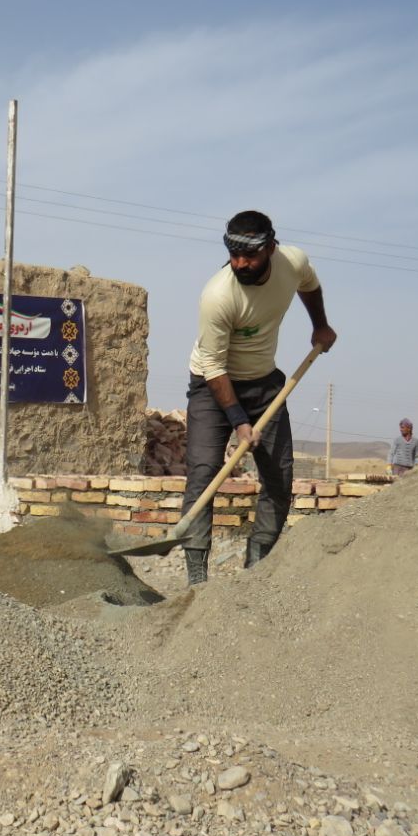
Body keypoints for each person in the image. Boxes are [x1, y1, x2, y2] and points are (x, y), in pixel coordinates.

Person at [180, 210, 337, 585]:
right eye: (233, 254)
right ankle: (197, 578)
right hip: (211, 384)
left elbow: (309, 285)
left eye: (248, 255)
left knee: (279, 480)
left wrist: (320, 324)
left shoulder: (292, 261)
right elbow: (214, 367)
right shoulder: (218, 296)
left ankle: (256, 566)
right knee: (203, 473)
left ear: (270, 247)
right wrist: (239, 420)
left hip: (265, 384)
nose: (239, 263)